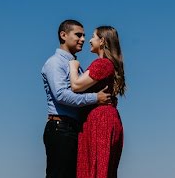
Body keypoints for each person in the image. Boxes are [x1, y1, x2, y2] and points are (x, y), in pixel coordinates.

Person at [42, 19, 112, 178]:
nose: (83, 39)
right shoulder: (55, 63)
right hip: (60, 127)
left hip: (73, 129)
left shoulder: (75, 65)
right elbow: (61, 95)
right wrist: (96, 98)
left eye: (84, 35)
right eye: (78, 35)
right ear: (63, 35)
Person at [69, 26, 126, 178]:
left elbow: (76, 85)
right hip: (106, 118)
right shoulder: (110, 64)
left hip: (99, 120)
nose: (89, 40)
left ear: (102, 41)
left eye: (93, 36)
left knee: (96, 169)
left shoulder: (102, 64)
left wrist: (73, 66)